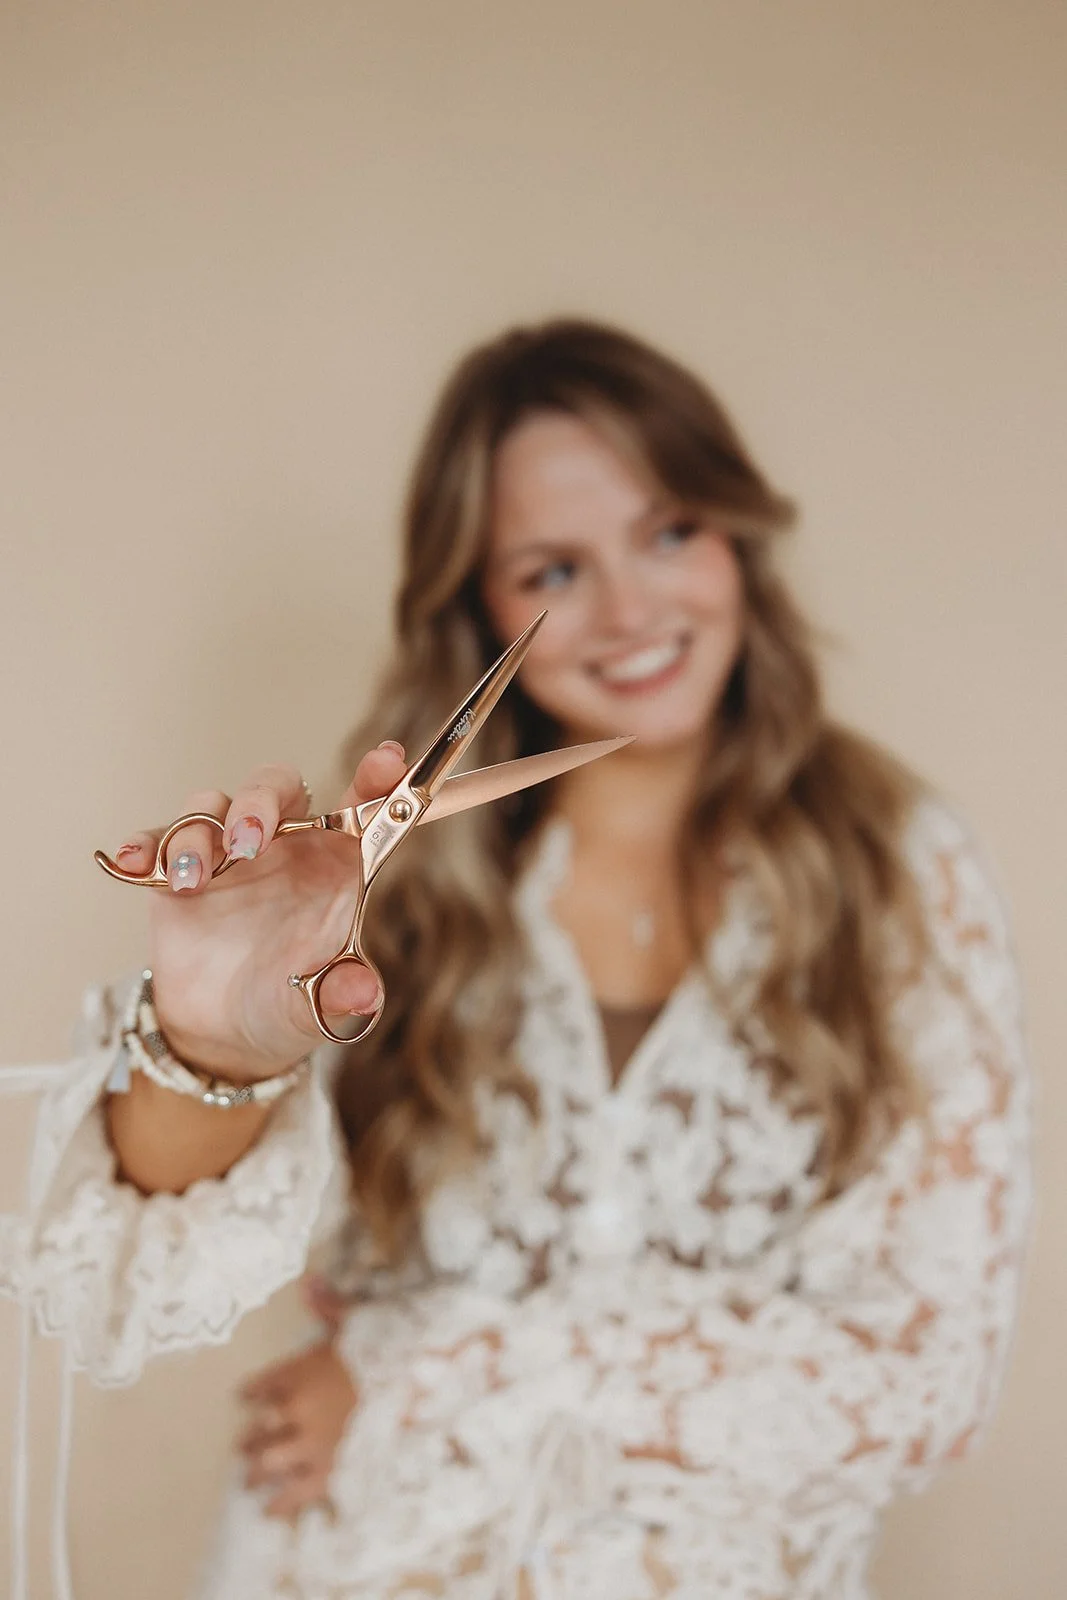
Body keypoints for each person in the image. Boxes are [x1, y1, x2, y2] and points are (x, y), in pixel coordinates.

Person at [7, 320, 1031, 1599]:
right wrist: (212, 1036)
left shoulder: (904, 869)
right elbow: (125, 1295)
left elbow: (919, 1382)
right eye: (554, 568)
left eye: (669, 531)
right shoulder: (368, 886)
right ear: (477, 604)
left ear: (735, 538)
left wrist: (413, 1368)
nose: (632, 610)